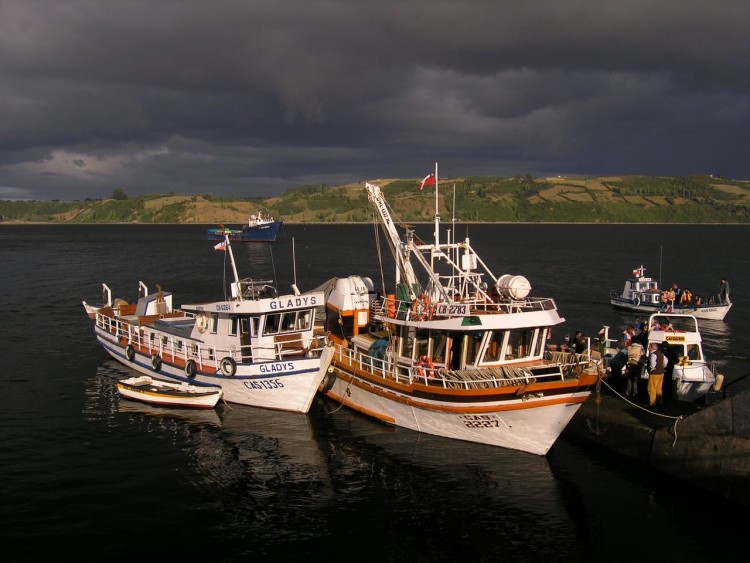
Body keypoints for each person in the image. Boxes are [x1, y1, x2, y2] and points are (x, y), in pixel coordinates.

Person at [646, 342, 668, 407]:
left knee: (651, 388)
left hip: (654, 373)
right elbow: (666, 361)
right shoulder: (661, 354)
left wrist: (652, 368)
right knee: (659, 388)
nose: (648, 348)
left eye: (649, 347)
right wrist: (662, 367)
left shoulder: (653, 354)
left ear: (652, 348)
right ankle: (660, 402)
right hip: (661, 373)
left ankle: (652, 403)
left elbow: (652, 362)